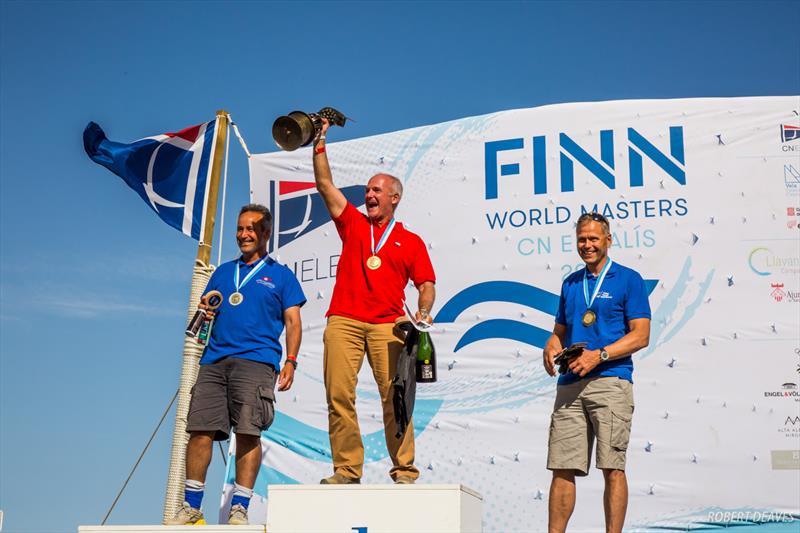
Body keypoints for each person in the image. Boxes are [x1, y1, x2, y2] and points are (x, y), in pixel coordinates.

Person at [311, 119, 436, 485]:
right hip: (344, 320)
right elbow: (324, 185)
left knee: (396, 398)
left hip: (389, 324)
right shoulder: (351, 223)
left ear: (394, 198)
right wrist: (319, 143)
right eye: (367, 189)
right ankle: (347, 471)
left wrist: (424, 311)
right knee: (338, 396)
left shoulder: (409, 241)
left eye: (377, 190)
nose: (369, 195)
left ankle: (404, 470)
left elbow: (426, 283)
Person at [167, 204, 306, 525]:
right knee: (199, 430)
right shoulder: (222, 271)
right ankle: (191, 507)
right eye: (240, 229)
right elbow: (206, 314)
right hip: (214, 360)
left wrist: (292, 361)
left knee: (247, 432)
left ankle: (239, 507)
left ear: (266, 234)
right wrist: (206, 312)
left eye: (251, 229)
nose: (243, 235)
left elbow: (293, 322)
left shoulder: (281, 276)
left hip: (257, 361)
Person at [542, 212, 651, 533]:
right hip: (570, 384)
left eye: (593, 238)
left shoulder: (629, 279)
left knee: (612, 466)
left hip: (611, 380)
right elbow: (559, 331)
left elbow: (641, 335)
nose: (587, 245)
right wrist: (551, 345)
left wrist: (599, 356)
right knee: (562, 468)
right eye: (581, 239)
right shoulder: (571, 282)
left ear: (608, 240)